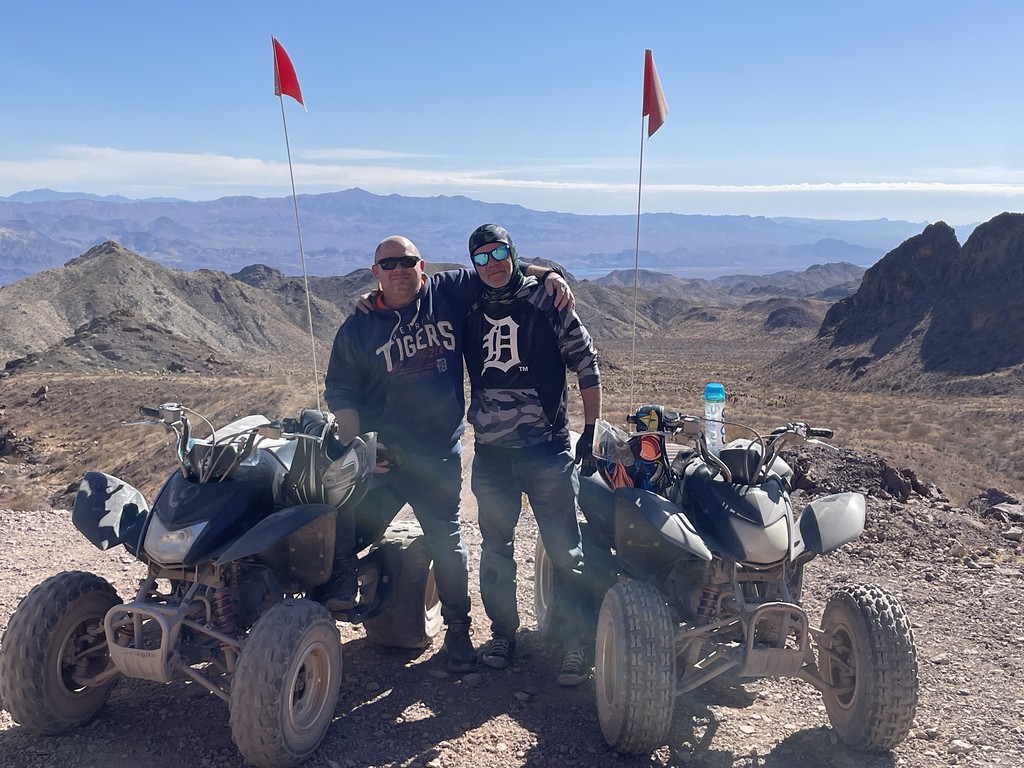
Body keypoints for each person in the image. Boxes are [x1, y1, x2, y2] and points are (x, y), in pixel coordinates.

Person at [322, 235, 573, 673]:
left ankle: (458, 630)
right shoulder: (358, 327)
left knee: (448, 542)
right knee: (338, 512)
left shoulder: (447, 291)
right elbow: (343, 393)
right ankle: (338, 584)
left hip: (437, 455)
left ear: (422, 267)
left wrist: (547, 273)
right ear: (375, 272)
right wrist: (359, 449)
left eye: (408, 262)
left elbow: (497, 269)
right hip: (382, 457)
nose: (400, 270)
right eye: (389, 264)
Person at [463, 224, 602, 687]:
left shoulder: (547, 300)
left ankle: (575, 644)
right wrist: (373, 296)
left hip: (546, 451)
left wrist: (590, 431)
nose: (492, 264)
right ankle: (503, 635)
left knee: (566, 551)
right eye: (481, 257)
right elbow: (418, 288)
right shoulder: (469, 301)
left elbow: (587, 364)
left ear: (513, 252)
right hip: (492, 456)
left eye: (499, 253)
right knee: (495, 551)